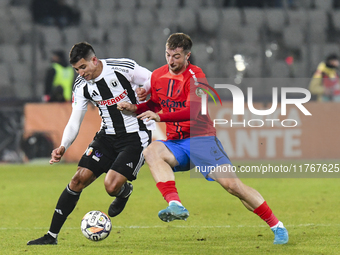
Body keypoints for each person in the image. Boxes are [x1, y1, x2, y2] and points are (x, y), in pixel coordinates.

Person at [117, 33, 289, 245]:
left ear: (188, 55)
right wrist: (135, 108)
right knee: (151, 151)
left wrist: (160, 116)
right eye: (168, 55)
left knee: (233, 186)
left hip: (202, 140)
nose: (171, 61)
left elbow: (195, 110)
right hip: (177, 144)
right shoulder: (158, 75)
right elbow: (154, 104)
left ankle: (276, 225)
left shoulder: (196, 76)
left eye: (177, 56)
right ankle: (175, 204)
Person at [27, 42, 154, 245]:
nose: (80, 73)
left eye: (83, 67)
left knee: (111, 186)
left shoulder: (122, 68)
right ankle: (51, 236)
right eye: (77, 69)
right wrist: (63, 146)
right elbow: (74, 120)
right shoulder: (81, 86)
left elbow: (153, 79)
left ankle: (123, 192)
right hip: (107, 136)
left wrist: (145, 92)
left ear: (94, 60)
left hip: (135, 135)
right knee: (77, 179)